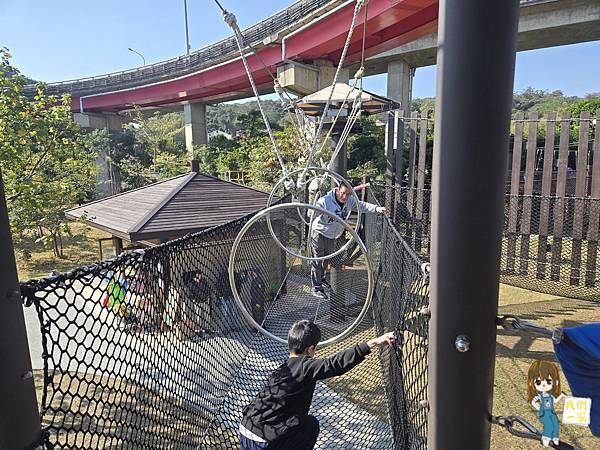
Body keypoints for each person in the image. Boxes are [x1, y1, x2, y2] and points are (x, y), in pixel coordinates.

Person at [239, 319, 395, 449]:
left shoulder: (283, 367)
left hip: (246, 428)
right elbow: (335, 364)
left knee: (304, 423)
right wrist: (373, 343)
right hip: (262, 440)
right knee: (310, 426)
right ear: (310, 349)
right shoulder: (306, 367)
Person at [310, 183, 385, 299]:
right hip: (319, 232)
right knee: (318, 259)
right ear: (337, 190)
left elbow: (362, 206)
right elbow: (312, 213)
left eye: (348, 194)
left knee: (326, 258)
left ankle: (322, 278)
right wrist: (315, 210)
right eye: (343, 193)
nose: (344, 197)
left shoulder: (350, 201)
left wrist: (377, 208)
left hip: (332, 235)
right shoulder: (325, 201)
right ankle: (317, 288)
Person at [527, 359, 565, 447]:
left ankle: (555, 438)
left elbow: (555, 400)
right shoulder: (539, 397)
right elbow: (534, 403)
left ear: (555, 382)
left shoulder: (550, 396)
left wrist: (561, 396)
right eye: (538, 382)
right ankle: (545, 438)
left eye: (548, 382)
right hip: (544, 414)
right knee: (549, 425)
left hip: (552, 413)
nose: (543, 385)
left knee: (555, 423)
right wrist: (537, 406)